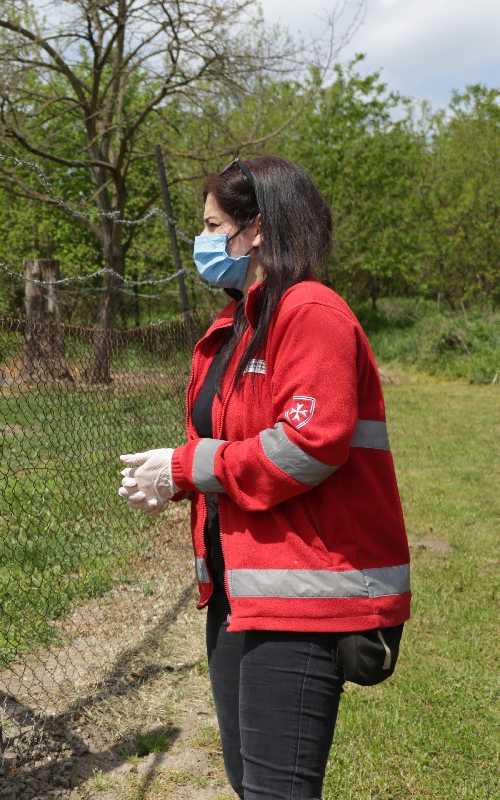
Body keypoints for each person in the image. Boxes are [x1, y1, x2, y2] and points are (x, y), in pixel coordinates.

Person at [117, 156, 411, 799]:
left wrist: (188, 466)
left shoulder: (311, 315)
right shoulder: (236, 324)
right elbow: (225, 439)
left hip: (305, 592)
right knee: (250, 782)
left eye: (212, 224)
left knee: (277, 792)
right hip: (238, 588)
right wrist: (175, 479)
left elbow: (308, 445)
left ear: (256, 230)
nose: (203, 240)